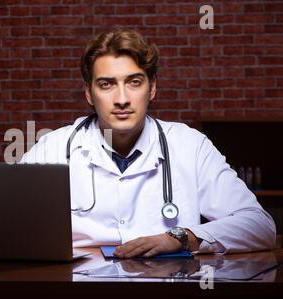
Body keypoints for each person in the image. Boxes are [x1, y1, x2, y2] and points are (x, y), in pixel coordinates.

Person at [21, 29, 276, 257]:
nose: (122, 99)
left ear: (152, 88)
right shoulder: (52, 148)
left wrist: (181, 238)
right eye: (107, 84)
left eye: (134, 82)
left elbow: (259, 226)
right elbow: (5, 224)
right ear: (89, 92)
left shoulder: (190, 146)